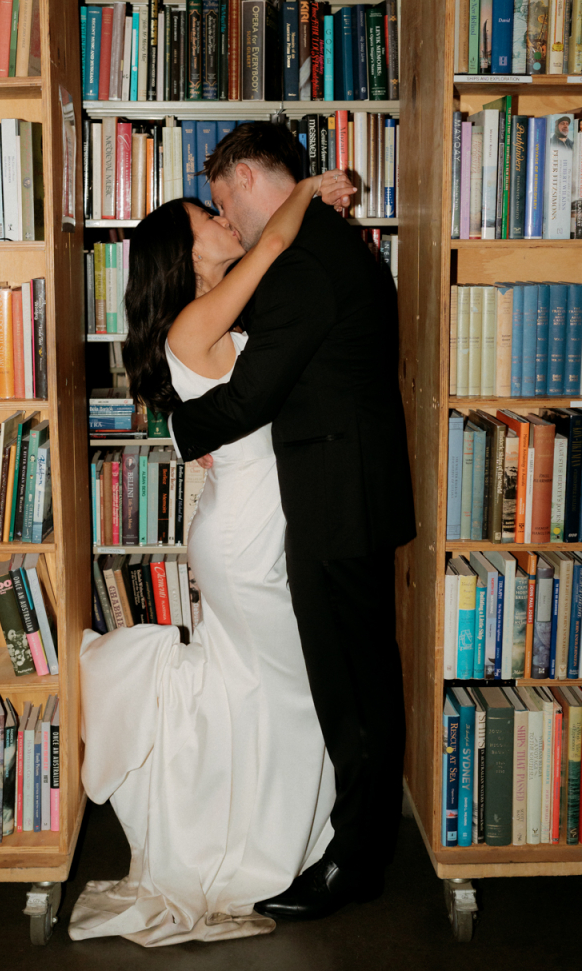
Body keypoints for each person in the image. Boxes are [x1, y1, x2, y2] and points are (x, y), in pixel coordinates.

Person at [69, 160, 351, 948]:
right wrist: (304, 191)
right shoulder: (194, 322)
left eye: (223, 212)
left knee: (266, 694)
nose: (227, 223)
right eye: (210, 218)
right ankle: (269, 859)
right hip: (244, 536)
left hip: (252, 521)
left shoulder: (205, 317)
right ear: (185, 253)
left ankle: (275, 844)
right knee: (293, 695)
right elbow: (274, 245)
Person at [169, 122, 415, 922]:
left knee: (352, 685)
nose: (227, 220)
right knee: (357, 675)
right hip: (343, 487)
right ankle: (354, 841)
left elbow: (254, 396)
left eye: (219, 200)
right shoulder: (320, 243)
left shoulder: (305, 260)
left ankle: (357, 858)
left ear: (242, 177)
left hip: (337, 495)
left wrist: (179, 431)